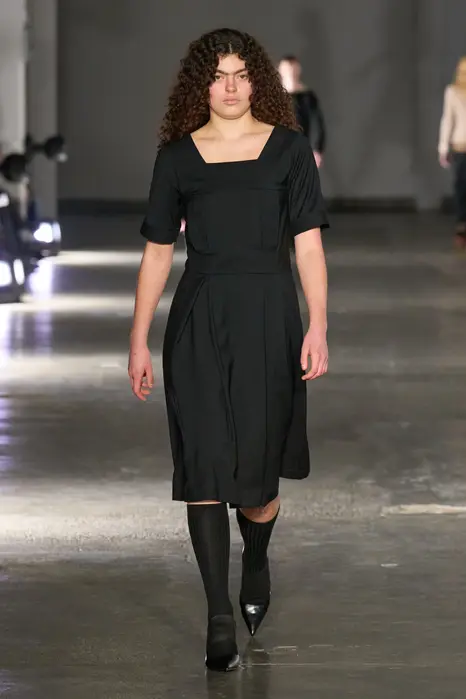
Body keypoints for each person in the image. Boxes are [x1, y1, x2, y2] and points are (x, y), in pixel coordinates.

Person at [128, 28, 329, 672]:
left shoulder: (289, 151)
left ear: (258, 80)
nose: (232, 86)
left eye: (242, 73)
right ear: (201, 86)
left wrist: (318, 325)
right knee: (205, 463)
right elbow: (158, 251)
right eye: (218, 76)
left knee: (258, 484)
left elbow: (308, 246)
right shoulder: (177, 158)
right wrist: (138, 337)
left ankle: (257, 556)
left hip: (270, 319)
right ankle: (218, 615)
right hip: (199, 317)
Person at [277, 54, 326, 168]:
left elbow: (318, 125)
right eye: (287, 69)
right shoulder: (274, 97)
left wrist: (317, 150)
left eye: (293, 69)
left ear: (298, 70)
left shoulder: (307, 97)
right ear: (280, 70)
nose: (290, 73)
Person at [439, 56, 466, 250]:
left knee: (461, 188)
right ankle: (462, 226)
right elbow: (447, 120)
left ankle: (462, 226)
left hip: (459, 146)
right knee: (461, 188)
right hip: (460, 146)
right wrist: (443, 147)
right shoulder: (452, 92)